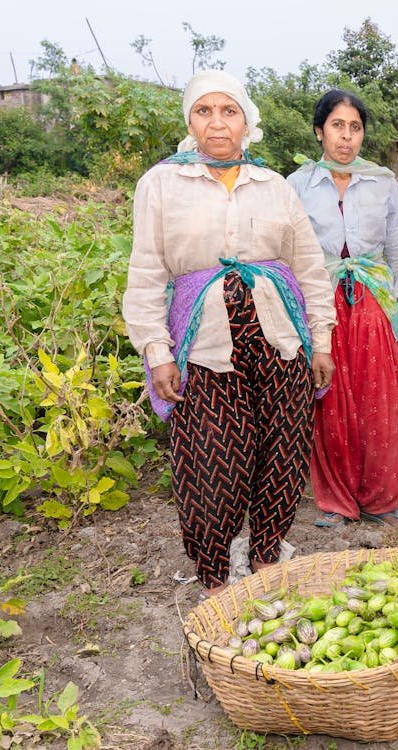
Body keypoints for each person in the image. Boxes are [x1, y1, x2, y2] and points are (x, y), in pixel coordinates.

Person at [122, 70, 336, 595]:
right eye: (204, 111)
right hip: (205, 346)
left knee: (282, 453)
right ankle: (216, 573)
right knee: (208, 465)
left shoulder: (274, 186)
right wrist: (156, 350)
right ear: (189, 121)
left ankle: (266, 553)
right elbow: (147, 273)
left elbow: (309, 268)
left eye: (229, 111)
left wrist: (322, 340)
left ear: (247, 121)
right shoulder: (162, 184)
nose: (217, 123)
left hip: (279, 341)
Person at [287, 90, 398, 531]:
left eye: (355, 127)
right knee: (330, 401)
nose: (346, 137)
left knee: (380, 400)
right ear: (320, 130)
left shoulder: (381, 181)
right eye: (337, 126)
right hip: (320, 302)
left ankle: (380, 499)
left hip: (372, 301)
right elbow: (288, 251)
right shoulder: (297, 184)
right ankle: (336, 501)